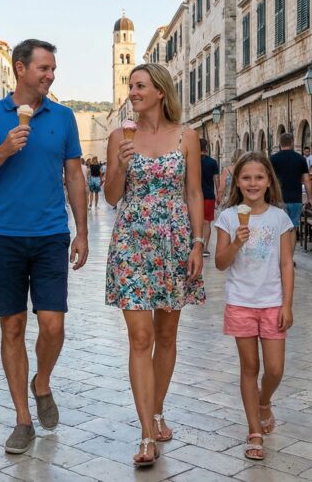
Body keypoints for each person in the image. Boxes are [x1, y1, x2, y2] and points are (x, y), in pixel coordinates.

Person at [0, 39, 88, 455]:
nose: (50, 76)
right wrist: (4, 148)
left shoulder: (64, 118)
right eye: (43, 69)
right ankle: (22, 418)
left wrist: (83, 231)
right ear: (20, 68)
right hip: (3, 236)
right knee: (12, 327)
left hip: (52, 233)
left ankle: (42, 382)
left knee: (53, 325)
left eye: (53, 69)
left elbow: (74, 176)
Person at [105, 63, 204, 468]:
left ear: (161, 91)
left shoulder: (186, 136)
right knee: (140, 338)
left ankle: (157, 409)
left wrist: (199, 243)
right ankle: (147, 433)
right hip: (132, 243)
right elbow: (112, 196)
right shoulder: (118, 137)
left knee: (166, 335)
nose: (133, 92)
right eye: (130, 86)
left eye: (140, 86)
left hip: (175, 243)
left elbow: (194, 192)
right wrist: (122, 164)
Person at [213, 152, 294, 461]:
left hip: (272, 302)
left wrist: (287, 304)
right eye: (246, 177)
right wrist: (235, 242)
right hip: (241, 302)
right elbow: (220, 263)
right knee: (250, 368)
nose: (253, 183)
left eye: (259, 177)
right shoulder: (228, 217)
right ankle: (254, 432)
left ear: (269, 181)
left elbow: (287, 264)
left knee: (274, 369)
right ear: (238, 182)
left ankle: (264, 402)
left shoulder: (279, 218)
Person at [270, 134, 312, 229]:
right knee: (293, 227)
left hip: (278, 198)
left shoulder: (273, 159)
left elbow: (268, 180)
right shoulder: (301, 159)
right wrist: (310, 198)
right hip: (295, 199)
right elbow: (307, 180)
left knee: (279, 227)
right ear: (292, 142)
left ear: (280, 143)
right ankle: (291, 244)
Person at [199, 138, 220, 258]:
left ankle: (197, 245)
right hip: (208, 196)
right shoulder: (212, 162)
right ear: (207, 148)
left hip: (196, 196)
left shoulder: (193, 161)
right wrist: (218, 195)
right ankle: (205, 248)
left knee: (196, 222)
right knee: (207, 222)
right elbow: (216, 179)